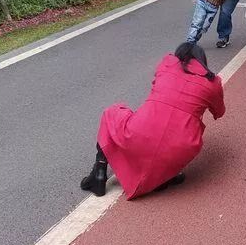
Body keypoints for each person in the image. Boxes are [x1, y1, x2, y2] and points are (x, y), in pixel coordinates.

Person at [80, 43, 225, 199]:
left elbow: (157, 87)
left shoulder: (167, 64)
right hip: (181, 146)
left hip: (141, 132)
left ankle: (99, 172)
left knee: (111, 114)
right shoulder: (212, 82)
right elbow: (219, 112)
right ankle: (164, 177)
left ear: (179, 56)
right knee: (172, 141)